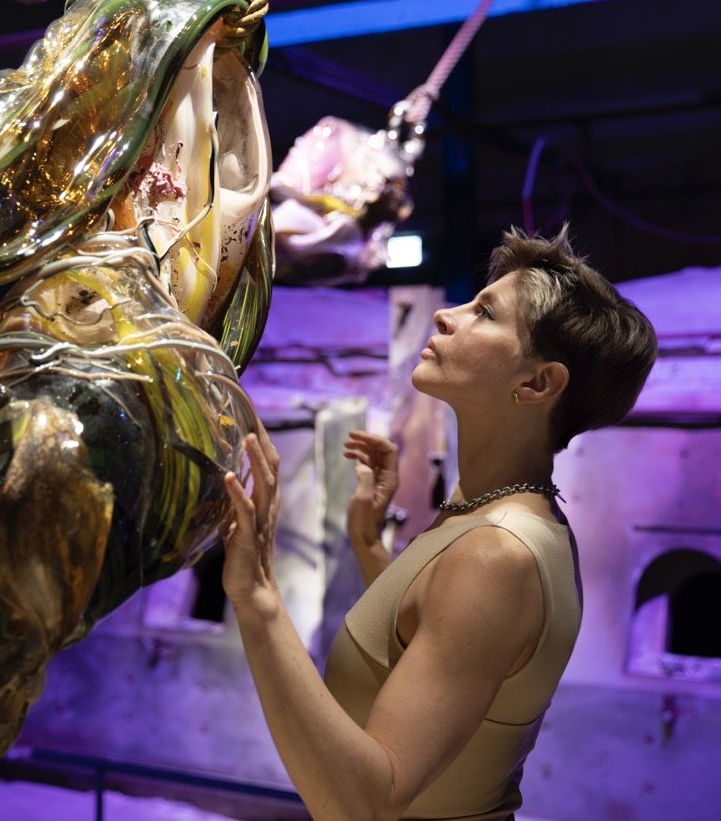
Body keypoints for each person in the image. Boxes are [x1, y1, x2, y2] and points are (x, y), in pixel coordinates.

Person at [222, 226, 657, 820]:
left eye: (485, 313)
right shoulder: (498, 519)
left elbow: (366, 806)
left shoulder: (496, 557)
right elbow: (424, 641)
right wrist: (369, 543)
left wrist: (257, 597)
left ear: (537, 383)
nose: (446, 315)